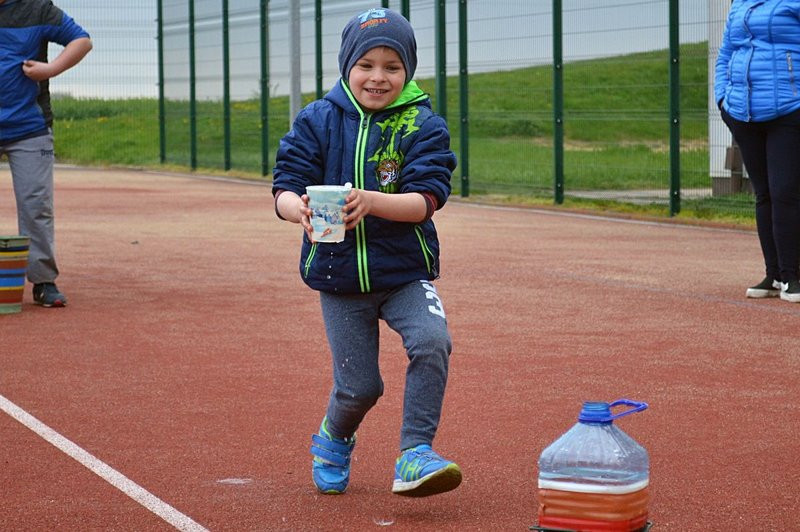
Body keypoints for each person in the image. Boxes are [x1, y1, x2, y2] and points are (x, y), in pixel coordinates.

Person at [272, 7, 461, 497]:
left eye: (392, 67)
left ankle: (415, 453)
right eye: (366, 65)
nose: (378, 77)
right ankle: (334, 437)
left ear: (408, 70)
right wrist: (298, 211)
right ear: (347, 65)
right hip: (339, 278)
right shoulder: (317, 119)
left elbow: (426, 200)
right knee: (361, 388)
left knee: (432, 341)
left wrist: (372, 201)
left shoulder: (423, 124)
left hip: (403, 273)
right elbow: (285, 186)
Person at [0, 0, 92, 307]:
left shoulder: (37, 8)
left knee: (36, 205)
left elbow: (81, 40)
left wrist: (50, 69)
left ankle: (43, 282)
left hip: (29, 126)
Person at [715, 0, 800, 303]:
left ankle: (792, 275)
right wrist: (722, 99)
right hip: (744, 112)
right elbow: (726, 52)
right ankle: (774, 274)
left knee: (785, 192)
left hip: (788, 111)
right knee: (763, 193)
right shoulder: (740, 4)